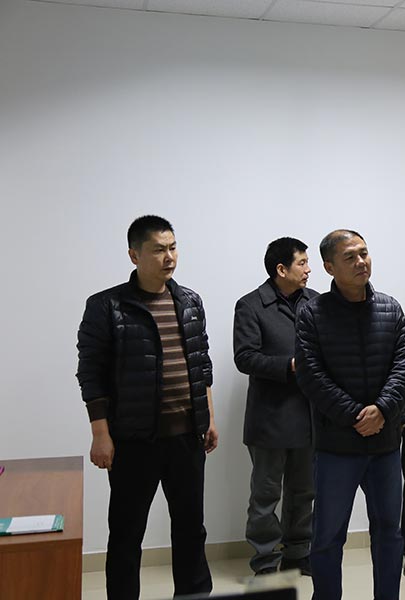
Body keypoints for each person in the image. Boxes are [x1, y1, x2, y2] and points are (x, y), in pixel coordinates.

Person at [76, 215, 217, 599]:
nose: (169, 257)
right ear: (134, 255)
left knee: (191, 529)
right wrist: (100, 434)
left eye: (173, 247)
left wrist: (208, 417)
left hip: (186, 437)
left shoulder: (189, 301)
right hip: (133, 440)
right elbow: (91, 374)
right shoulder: (106, 306)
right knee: (126, 533)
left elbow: (201, 363)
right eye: (158, 250)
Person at [294, 229, 405, 600]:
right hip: (337, 446)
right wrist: (355, 416)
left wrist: (382, 409)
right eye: (350, 257)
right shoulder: (312, 313)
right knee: (328, 537)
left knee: (389, 532)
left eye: (364, 253)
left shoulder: (390, 308)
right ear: (329, 266)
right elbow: (311, 375)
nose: (361, 261)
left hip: (384, 445)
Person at [233, 237, 318, 576]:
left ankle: (298, 552)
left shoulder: (316, 302)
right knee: (265, 496)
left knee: (304, 492)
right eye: (302, 263)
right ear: (281, 269)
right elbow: (245, 357)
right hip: (269, 418)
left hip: (309, 416)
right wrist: (290, 365)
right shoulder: (251, 305)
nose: (309, 269)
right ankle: (265, 560)